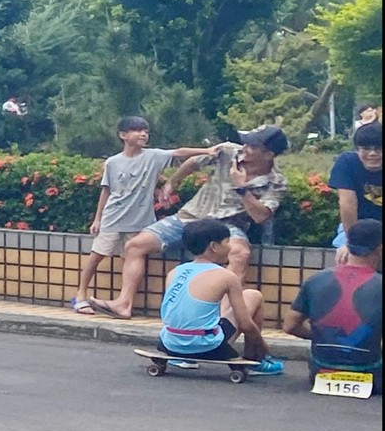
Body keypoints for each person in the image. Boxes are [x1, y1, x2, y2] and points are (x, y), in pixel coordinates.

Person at [115, 128, 286, 313]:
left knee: (240, 254)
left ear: (269, 155)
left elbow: (261, 216)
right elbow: (193, 162)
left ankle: (222, 316)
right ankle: (124, 304)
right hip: (193, 216)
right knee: (135, 245)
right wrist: (172, 182)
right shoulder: (228, 152)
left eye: (253, 146)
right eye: (246, 142)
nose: (246, 147)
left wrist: (241, 188)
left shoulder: (276, 182)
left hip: (227, 226)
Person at [74, 119, 214, 316]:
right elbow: (106, 191)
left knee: (132, 257)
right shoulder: (113, 162)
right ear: (123, 135)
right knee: (96, 255)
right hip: (112, 218)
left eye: (146, 131)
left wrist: (207, 151)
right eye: (137, 131)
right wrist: (97, 219)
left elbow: (178, 152)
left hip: (141, 220)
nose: (143, 134)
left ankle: (125, 303)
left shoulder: (153, 156)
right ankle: (80, 294)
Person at [157, 218, 282, 375]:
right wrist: (263, 346)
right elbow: (245, 324)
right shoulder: (227, 276)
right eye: (227, 242)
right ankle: (255, 359)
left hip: (169, 343)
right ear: (214, 247)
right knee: (253, 295)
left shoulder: (175, 272)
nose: (230, 247)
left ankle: (184, 358)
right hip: (208, 347)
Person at [285, 218, 381, 383]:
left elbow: (290, 325)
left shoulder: (315, 279)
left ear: (348, 244)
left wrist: (323, 336)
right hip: (371, 372)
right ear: (380, 249)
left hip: (321, 370)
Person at [329, 121, 382, 256]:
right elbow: (347, 204)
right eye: (366, 148)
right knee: (346, 256)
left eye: (379, 148)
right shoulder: (347, 163)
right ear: (357, 149)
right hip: (356, 224)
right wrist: (351, 242)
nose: (372, 153)